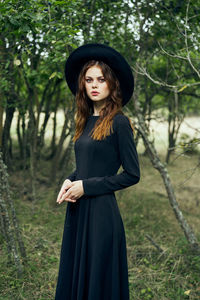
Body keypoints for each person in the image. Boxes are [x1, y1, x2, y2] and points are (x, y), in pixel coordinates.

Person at [54, 43, 140, 300]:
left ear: (111, 84)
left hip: (102, 214)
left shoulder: (119, 122)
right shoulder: (84, 120)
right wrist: (70, 180)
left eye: (101, 80)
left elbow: (132, 174)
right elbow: (86, 166)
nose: (94, 85)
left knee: (97, 282)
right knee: (76, 274)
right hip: (78, 210)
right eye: (89, 79)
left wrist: (86, 187)